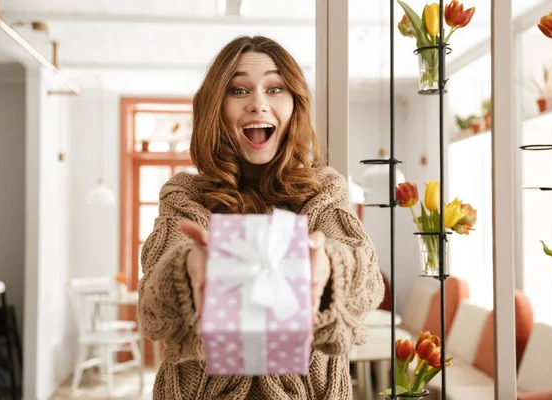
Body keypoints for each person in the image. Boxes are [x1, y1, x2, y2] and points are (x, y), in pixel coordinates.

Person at [138, 35, 384, 400]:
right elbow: (152, 307)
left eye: (275, 88)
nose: (258, 104)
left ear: (294, 103)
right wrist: (186, 267)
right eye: (238, 90)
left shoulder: (324, 191)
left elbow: (369, 283)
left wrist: (330, 267)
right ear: (216, 107)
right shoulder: (183, 197)